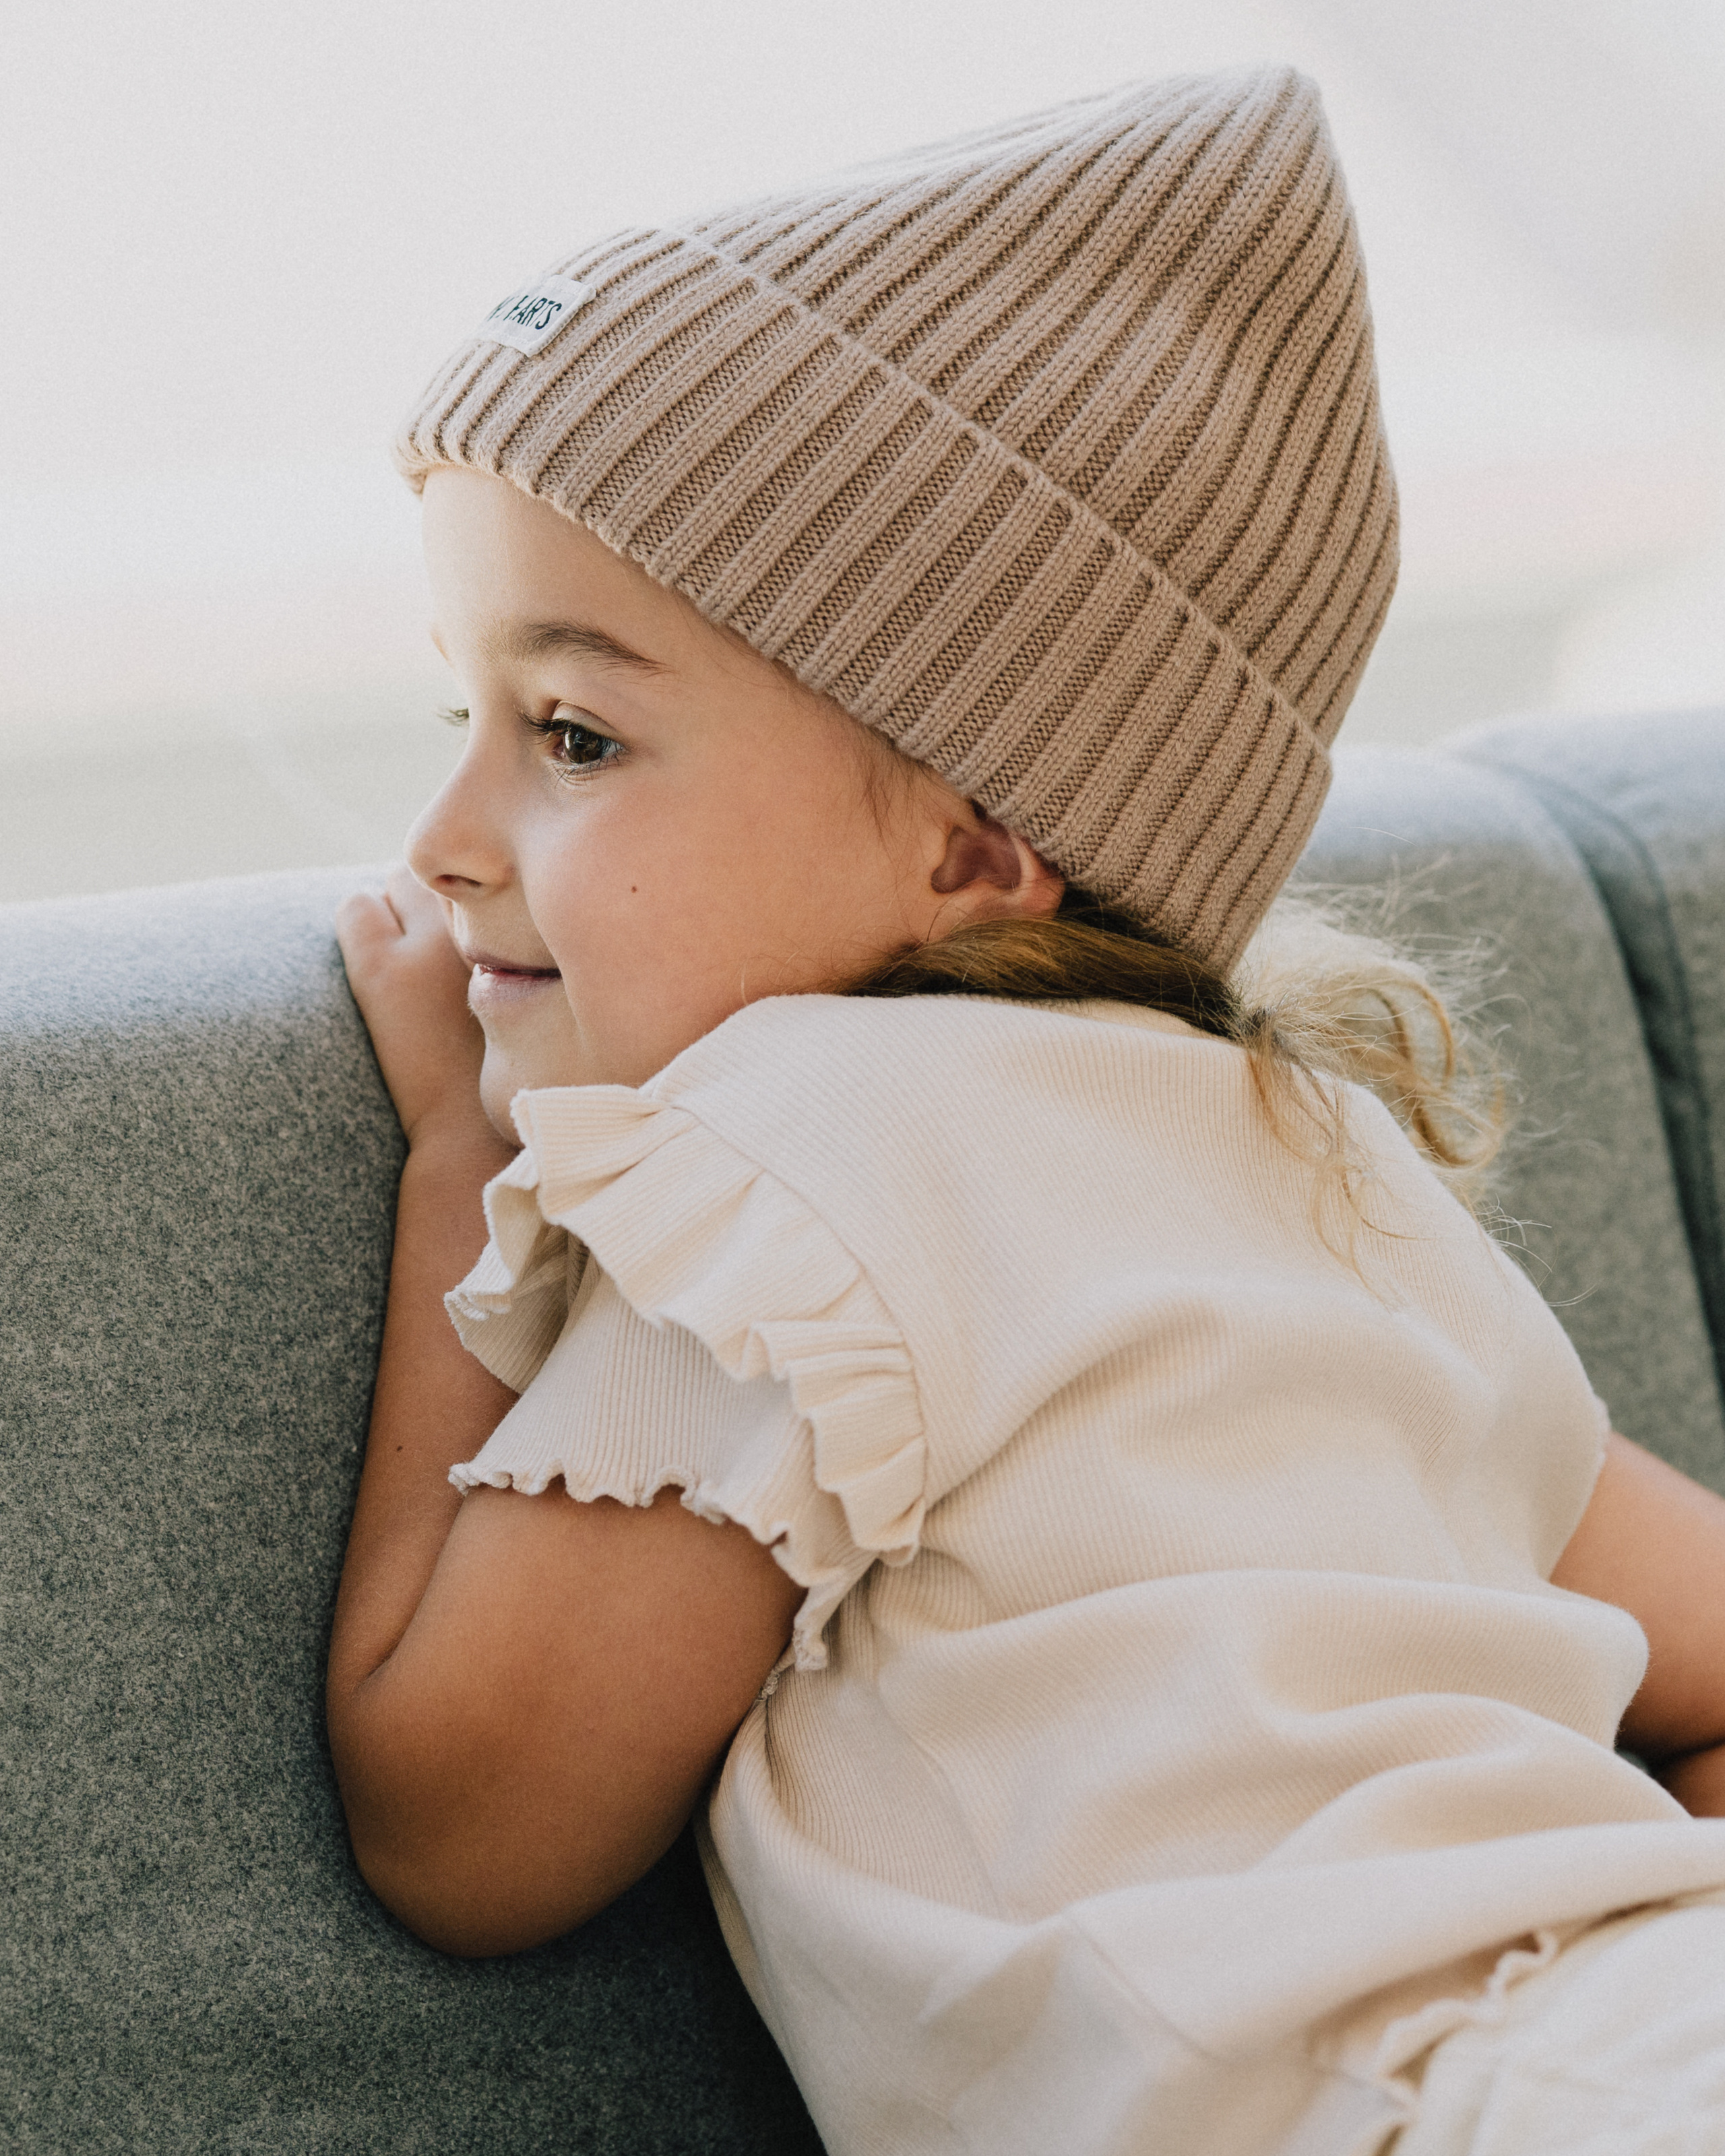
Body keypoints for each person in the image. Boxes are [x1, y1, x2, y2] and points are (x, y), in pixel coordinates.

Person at [327, 66, 1725, 2156]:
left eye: (574, 734)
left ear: (979, 846)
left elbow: (467, 1827)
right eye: (463, 708)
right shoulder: (1318, 1164)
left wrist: (464, 1167)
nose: (443, 836)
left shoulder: (789, 1164)